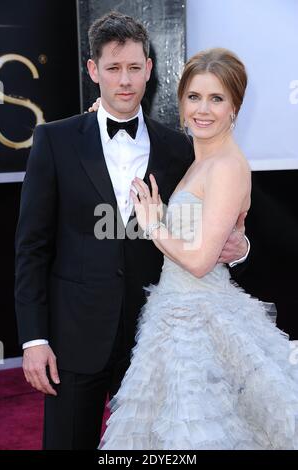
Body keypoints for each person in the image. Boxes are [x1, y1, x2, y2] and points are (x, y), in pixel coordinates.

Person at [14, 12, 248, 450]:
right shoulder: (56, 141)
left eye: (135, 68)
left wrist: (240, 247)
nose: (125, 81)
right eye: (114, 68)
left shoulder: (181, 147)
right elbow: (32, 249)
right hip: (74, 341)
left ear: (149, 69)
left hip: (155, 340)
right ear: (93, 70)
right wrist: (34, 338)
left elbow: (216, 220)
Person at [99, 48, 298, 450]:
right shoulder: (198, 159)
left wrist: (154, 222)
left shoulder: (225, 166)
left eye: (216, 98)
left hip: (200, 320)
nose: (203, 109)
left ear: (235, 106)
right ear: (181, 101)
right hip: (172, 313)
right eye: (194, 97)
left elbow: (200, 260)